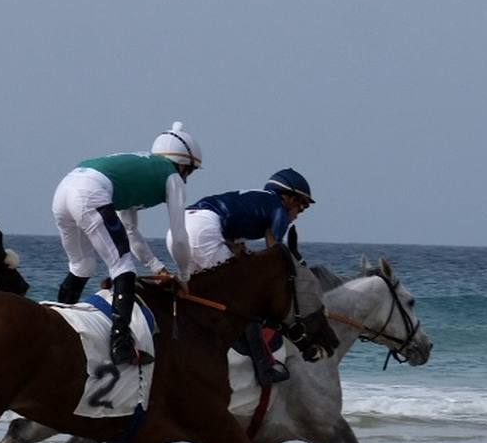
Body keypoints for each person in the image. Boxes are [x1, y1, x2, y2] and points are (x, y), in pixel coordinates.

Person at [51, 121, 202, 366]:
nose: (187, 179)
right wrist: (185, 275)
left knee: (82, 266)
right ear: (183, 165)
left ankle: (56, 325)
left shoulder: (140, 171)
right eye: (190, 172)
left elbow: (130, 232)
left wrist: (156, 267)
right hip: (90, 194)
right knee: (123, 268)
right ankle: (121, 345)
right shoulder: (172, 176)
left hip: (64, 190)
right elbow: (179, 236)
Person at [176, 167, 315, 383]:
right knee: (244, 299)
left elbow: (238, 249)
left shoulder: (255, 204)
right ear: (287, 198)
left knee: (205, 293)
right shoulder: (277, 208)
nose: (297, 215)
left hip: (180, 226)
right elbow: (275, 259)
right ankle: (264, 367)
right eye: (301, 206)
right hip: (203, 230)